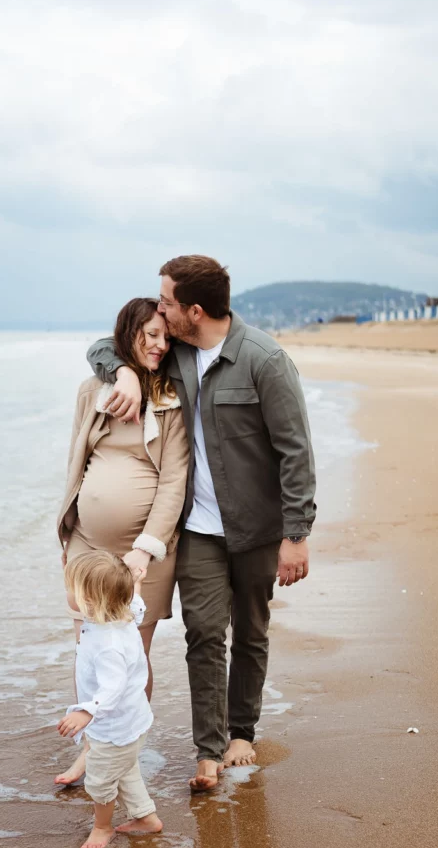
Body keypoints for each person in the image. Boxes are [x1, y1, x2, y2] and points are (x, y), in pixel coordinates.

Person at [87, 256, 316, 791]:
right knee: (204, 635)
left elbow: (295, 452)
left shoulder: (265, 360)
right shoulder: (178, 353)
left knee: (251, 633)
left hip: (258, 529)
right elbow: (104, 347)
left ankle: (242, 733)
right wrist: (124, 372)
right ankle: (208, 751)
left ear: (194, 310)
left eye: (167, 302)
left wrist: (296, 535)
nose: (160, 309)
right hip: (197, 530)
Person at [55, 297, 189, 785]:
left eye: (166, 337)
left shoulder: (171, 398)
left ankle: (125, 752)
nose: (160, 345)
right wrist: (70, 528)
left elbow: (174, 480)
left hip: (143, 552)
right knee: (88, 654)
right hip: (86, 545)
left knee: (132, 655)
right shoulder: (93, 390)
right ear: (128, 333)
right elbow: (77, 459)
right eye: (150, 335)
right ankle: (92, 751)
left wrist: (146, 546)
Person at [57, 550, 163, 848]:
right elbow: (137, 603)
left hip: (114, 727)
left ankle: (102, 827)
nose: (67, 594)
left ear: (89, 601)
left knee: (101, 782)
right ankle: (146, 817)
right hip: (131, 722)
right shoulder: (123, 614)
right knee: (126, 771)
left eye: (71, 589)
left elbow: (113, 688)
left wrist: (86, 712)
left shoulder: (108, 645)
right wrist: (135, 583)